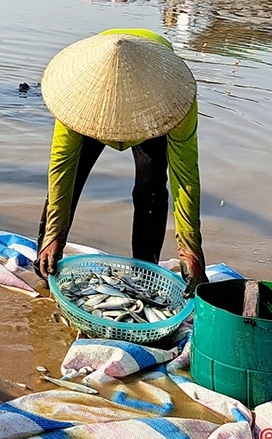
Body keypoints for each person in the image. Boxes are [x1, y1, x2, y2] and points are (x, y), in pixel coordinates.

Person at [34, 28, 209, 297]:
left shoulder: (175, 99)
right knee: (70, 184)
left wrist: (190, 249)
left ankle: (146, 272)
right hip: (95, 98)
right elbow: (61, 168)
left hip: (151, 103)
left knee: (150, 190)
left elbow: (185, 176)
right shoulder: (79, 96)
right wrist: (54, 234)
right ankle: (46, 262)